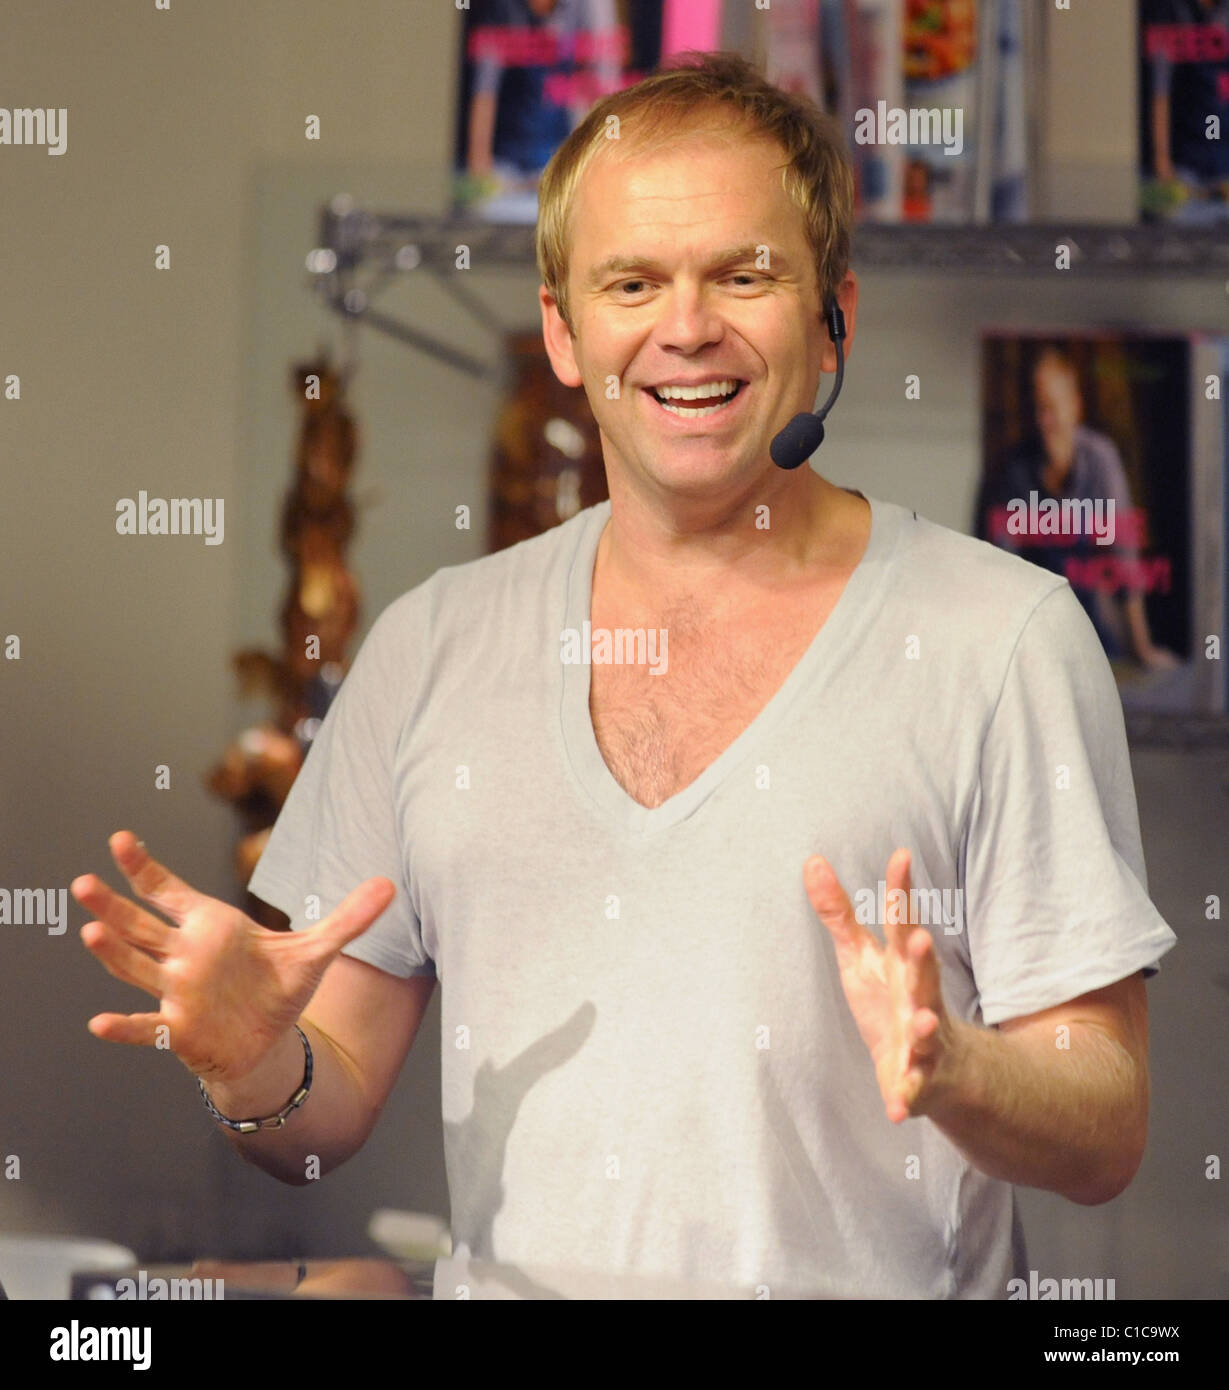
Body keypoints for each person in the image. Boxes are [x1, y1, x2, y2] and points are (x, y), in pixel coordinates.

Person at [74, 52, 1177, 1298]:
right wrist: (248, 1067)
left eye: (742, 274)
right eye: (632, 281)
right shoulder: (436, 645)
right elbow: (319, 1123)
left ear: (835, 319)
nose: (685, 327)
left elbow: (1106, 1128)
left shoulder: (1002, 637)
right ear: (562, 327)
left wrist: (954, 1072)